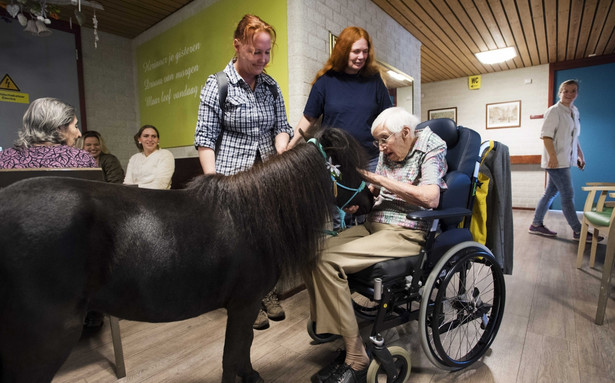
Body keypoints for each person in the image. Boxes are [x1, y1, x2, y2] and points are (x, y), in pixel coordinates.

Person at [304, 107, 447, 383]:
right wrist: (361, 194)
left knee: (327, 262)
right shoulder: (389, 148)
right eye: (377, 142)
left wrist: (379, 180)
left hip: (404, 231)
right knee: (312, 252)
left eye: (384, 140)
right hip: (373, 224)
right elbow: (375, 189)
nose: (380, 148)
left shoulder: (432, 146)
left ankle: (357, 357)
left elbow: (431, 198)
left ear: (406, 133)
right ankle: (341, 330)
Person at [193, 14, 293, 330]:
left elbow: (282, 127)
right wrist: (212, 182)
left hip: (267, 176)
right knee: (239, 243)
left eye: (267, 52)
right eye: (255, 52)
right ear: (238, 46)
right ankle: (243, 301)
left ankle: (266, 293)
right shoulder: (218, 85)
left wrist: (281, 150)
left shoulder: (270, 86)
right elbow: (205, 138)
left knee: (269, 239)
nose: (263, 59)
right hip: (232, 178)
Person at [287, 26, 392, 172]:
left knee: (369, 196)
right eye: (356, 51)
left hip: (370, 160)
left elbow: (389, 117)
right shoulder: (325, 81)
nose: (361, 56)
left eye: (365, 51)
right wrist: (290, 145)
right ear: (343, 52)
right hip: (334, 160)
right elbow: (309, 118)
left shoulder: (374, 81)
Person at [528, 79, 602, 243]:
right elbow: (546, 136)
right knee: (568, 194)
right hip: (556, 161)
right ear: (560, 92)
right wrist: (553, 157)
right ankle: (578, 231)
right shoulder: (554, 111)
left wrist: (580, 155)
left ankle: (535, 224)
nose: (569, 94)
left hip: (566, 160)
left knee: (550, 193)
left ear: (577, 93)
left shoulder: (574, 111)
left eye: (573, 91)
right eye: (566, 91)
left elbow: (574, 137)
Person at [0, 97, 95, 169]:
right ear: (60, 127)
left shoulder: (3, 158)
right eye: (76, 126)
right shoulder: (81, 158)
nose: (79, 134)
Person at [124, 125, 175, 190]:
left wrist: (136, 187)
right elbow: (127, 183)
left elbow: (160, 185)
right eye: (146, 136)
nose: (150, 139)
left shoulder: (165, 155)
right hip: (134, 196)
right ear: (139, 139)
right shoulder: (134, 158)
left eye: (153, 136)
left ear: (158, 140)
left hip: (157, 196)